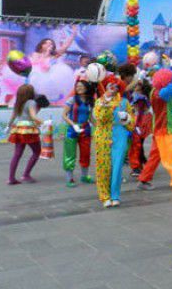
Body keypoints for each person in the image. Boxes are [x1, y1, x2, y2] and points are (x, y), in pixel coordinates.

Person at [137, 54, 172, 192]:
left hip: (158, 130)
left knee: (154, 157)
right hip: (165, 131)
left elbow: (170, 80)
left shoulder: (155, 91)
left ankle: (144, 179)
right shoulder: (162, 94)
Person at [93, 75, 135, 207]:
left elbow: (132, 123)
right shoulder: (99, 102)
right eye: (110, 85)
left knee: (117, 167)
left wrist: (127, 118)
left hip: (120, 135)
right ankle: (104, 196)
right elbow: (100, 118)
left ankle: (115, 195)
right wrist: (106, 105)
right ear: (105, 86)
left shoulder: (124, 102)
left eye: (116, 86)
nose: (113, 87)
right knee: (103, 166)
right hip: (103, 135)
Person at [7, 84, 43, 185]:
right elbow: (33, 116)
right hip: (29, 130)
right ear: (30, 93)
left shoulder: (18, 103)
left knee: (17, 154)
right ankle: (26, 175)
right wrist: (44, 122)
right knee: (36, 151)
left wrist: (8, 126)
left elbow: (13, 116)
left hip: (18, 129)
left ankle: (11, 178)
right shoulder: (31, 102)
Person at [61, 80, 95, 187]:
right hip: (72, 130)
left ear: (86, 88)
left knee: (85, 153)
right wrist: (73, 125)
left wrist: (99, 126)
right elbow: (64, 115)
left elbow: (90, 117)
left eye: (81, 86)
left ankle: (84, 176)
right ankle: (69, 178)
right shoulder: (71, 100)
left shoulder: (90, 101)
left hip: (86, 130)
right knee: (70, 154)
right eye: (77, 86)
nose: (79, 88)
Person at [128, 80, 153, 177]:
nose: (134, 86)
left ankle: (138, 167)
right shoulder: (139, 96)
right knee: (139, 145)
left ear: (141, 87)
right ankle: (143, 165)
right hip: (142, 120)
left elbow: (139, 112)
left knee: (137, 145)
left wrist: (136, 125)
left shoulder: (140, 97)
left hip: (141, 121)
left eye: (136, 85)